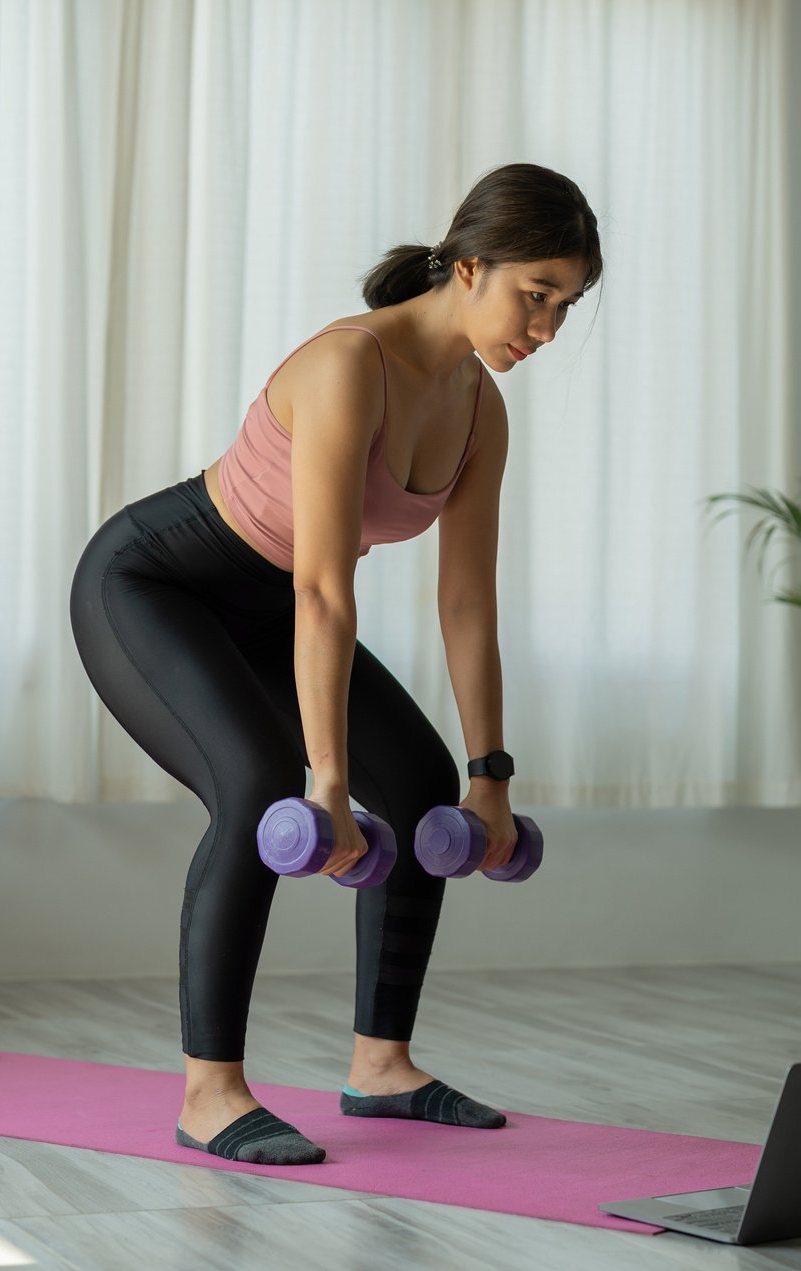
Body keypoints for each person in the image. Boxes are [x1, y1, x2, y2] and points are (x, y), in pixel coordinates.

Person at [70, 162, 602, 1165]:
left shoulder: (479, 408)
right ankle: (209, 1091)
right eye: (535, 296)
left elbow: (467, 599)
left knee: (418, 780)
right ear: (469, 264)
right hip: (153, 586)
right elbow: (322, 589)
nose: (544, 330)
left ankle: (381, 1064)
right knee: (258, 785)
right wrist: (327, 780)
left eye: (564, 308)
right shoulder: (348, 365)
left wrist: (491, 777)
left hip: (272, 605)